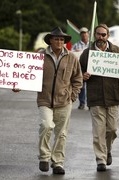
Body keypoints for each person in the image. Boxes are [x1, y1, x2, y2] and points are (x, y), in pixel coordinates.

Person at [14, 27, 83, 175]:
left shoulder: (71, 58)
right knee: (46, 126)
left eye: (62, 39)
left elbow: (78, 79)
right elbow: (27, 75)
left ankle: (58, 162)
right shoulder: (39, 56)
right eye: (56, 39)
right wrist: (18, 85)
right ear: (50, 40)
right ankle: (44, 157)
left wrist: (73, 95)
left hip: (64, 101)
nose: (59, 41)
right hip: (44, 99)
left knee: (61, 133)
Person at [79, 24, 119, 172]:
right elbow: (78, 73)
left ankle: (107, 150)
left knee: (112, 130)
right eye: (98, 34)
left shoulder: (116, 51)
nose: (101, 37)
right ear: (94, 35)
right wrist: (83, 76)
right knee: (98, 132)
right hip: (95, 97)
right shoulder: (87, 53)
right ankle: (100, 160)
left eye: (103, 35)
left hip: (113, 96)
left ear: (108, 36)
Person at [71, 27, 89, 110]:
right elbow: (72, 56)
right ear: (80, 35)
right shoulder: (76, 45)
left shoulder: (92, 44)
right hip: (80, 67)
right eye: (82, 33)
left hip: (90, 67)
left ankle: (90, 103)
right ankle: (82, 103)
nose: (84, 34)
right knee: (81, 86)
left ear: (88, 34)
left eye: (85, 33)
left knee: (91, 86)